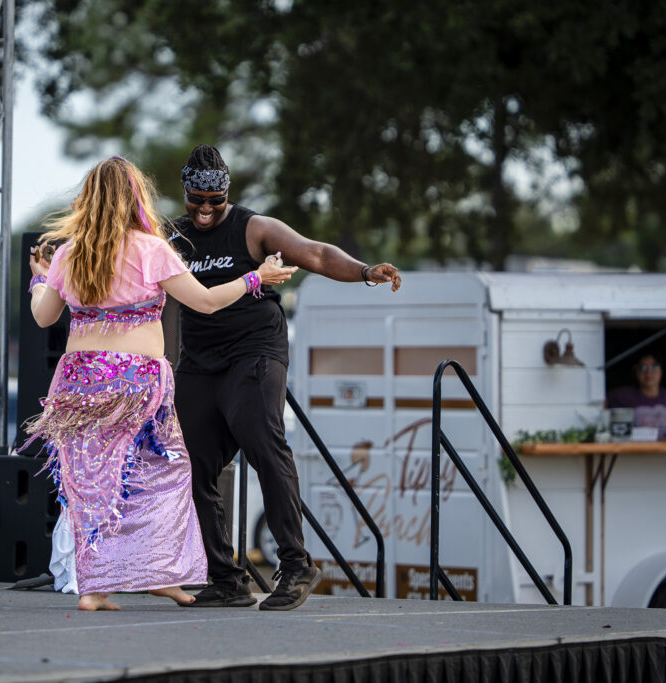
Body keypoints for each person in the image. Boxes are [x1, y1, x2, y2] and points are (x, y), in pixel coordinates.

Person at [25, 156, 297, 611]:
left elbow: (43, 316)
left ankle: (95, 589)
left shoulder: (70, 253)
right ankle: (161, 573)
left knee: (91, 481)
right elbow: (207, 302)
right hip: (135, 379)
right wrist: (257, 277)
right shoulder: (150, 248)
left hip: (78, 380)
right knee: (164, 473)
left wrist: (39, 279)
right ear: (136, 198)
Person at [168, 144, 402, 611]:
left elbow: (314, 253)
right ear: (187, 193)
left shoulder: (253, 228)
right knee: (189, 463)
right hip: (199, 359)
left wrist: (364, 272)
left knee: (261, 441)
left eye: (216, 201)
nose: (207, 211)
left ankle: (295, 565)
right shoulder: (173, 236)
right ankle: (225, 577)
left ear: (227, 194)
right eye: (198, 200)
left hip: (254, 350)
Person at [607, 352, 666, 440]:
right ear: (635, 371)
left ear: (661, 371)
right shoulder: (622, 395)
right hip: (636, 451)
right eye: (643, 367)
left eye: (654, 367)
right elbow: (600, 404)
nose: (648, 372)